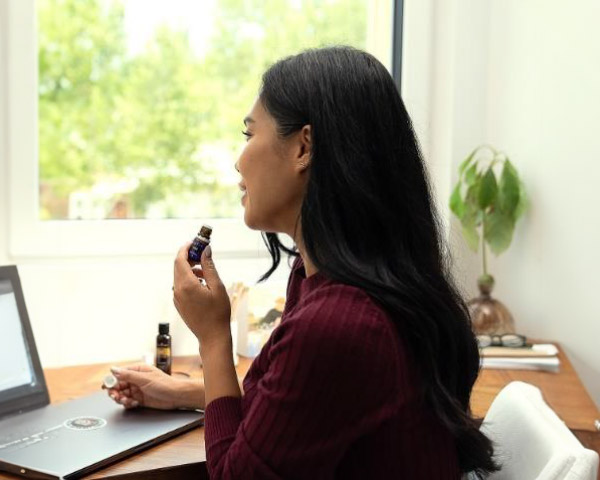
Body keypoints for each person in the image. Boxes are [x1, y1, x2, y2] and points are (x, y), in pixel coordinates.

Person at [106, 46, 498, 479]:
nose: (239, 162)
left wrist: (213, 337)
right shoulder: (333, 282)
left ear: (303, 147)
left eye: (249, 135)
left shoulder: (337, 324)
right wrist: (182, 392)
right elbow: (298, 402)